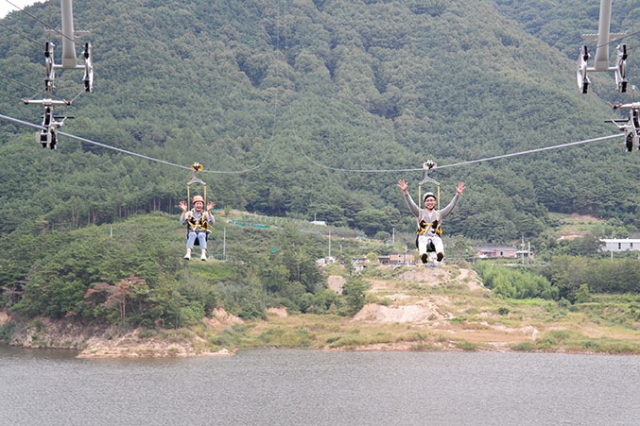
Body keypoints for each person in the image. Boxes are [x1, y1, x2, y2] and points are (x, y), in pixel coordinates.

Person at [398, 179, 465, 263]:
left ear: (435, 202)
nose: (430, 202)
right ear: (424, 203)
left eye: (432, 200)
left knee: (438, 241)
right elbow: (411, 204)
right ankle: (423, 255)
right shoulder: (420, 213)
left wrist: (457, 195)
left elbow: (450, 206)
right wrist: (405, 192)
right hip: (423, 237)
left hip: (434, 237)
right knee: (422, 240)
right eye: (428, 201)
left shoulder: (439, 214)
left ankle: (440, 254)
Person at [179, 195, 215, 261]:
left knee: (201, 235)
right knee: (192, 234)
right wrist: (184, 211)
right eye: (197, 204)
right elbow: (183, 222)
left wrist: (209, 211)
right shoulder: (189, 213)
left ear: (202, 205)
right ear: (194, 205)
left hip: (202, 232)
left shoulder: (205, 213)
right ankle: (188, 253)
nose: (199, 205)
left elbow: (212, 222)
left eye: (200, 204)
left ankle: (203, 254)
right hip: (192, 232)